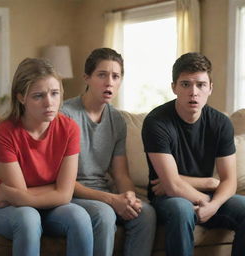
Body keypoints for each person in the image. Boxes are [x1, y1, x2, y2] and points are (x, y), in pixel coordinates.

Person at [142, 52, 245, 256]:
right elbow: (171, 186)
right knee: (182, 209)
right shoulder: (156, 122)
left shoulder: (221, 123)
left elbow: (229, 180)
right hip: (168, 199)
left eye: (200, 84)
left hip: (206, 197)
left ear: (210, 88)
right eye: (186, 84)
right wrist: (207, 198)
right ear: (174, 87)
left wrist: (213, 204)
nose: (194, 92)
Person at [0, 58, 93, 256]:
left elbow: (63, 195)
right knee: (28, 218)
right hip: (8, 209)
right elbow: (21, 196)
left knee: (79, 216)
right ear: (21, 97)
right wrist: (55, 190)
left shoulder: (69, 128)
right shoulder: (3, 132)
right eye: (38, 96)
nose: (49, 103)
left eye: (54, 93)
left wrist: (15, 194)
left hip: (36, 204)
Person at [61, 47, 156, 256]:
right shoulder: (65, 116)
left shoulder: (117, 121)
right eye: (102, 75)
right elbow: (63, 182)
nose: (109, 82)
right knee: (104, 214)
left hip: (103, 191)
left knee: (145, 213)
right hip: (71, 194)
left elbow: (121, 174)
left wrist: (129, 197)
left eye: (116, 76)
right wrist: (112, 200)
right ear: (87, 78)